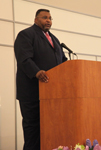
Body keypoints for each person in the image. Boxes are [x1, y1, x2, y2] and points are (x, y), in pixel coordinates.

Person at [14, 9, 67, 150]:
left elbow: (62, 61)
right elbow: (24, 58)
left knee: (49, 131)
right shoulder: (26, 35)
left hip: (51, 94)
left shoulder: (54, 39)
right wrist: (37, 72)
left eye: (50, 18)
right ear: (36, 19)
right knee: (33, 131)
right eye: (45, 17)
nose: (48, 20)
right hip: (32, 92)